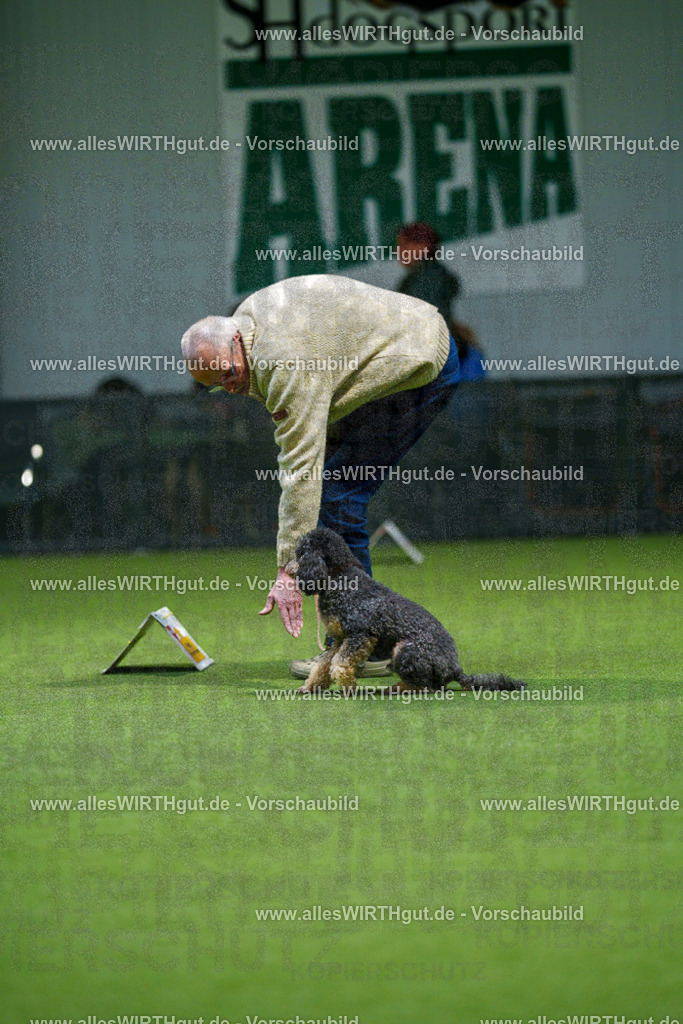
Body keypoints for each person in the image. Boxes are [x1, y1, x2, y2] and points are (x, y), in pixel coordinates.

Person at [181, 274, 460, 678]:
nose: (228, 387)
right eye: (214, 386)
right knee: (330, 490)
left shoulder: (282, 361)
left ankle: (370, 645)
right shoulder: (245, 329)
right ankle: (357, 637)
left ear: (236, 342)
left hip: (417, 360)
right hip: (381, 359)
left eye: (227, 373)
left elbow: (300, 466)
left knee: (339, 495)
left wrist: (287, 569)